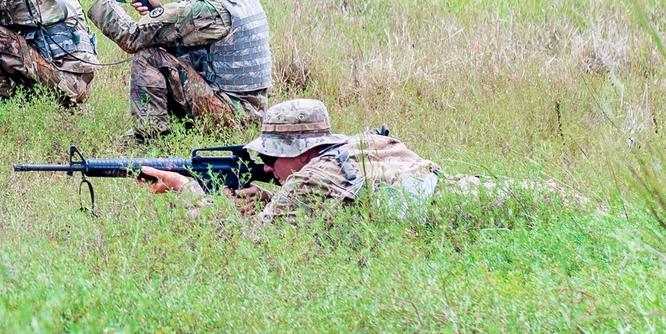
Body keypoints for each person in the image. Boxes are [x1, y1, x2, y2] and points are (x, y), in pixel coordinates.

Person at [68, 0, 272, 140]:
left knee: (148, 57)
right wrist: (160, 15)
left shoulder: (205, 6)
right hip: (252, 113)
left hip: (232, 116)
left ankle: (151, 139)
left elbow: (131, 36)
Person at [140, 99, 446, 224]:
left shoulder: (309, 179)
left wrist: (187, 190)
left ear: (299, 152)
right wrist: (272, 200)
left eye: (271, 156)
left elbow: (252, 243)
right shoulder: (367, 143)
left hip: (463, 213)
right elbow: (338, 204)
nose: (269, 167)